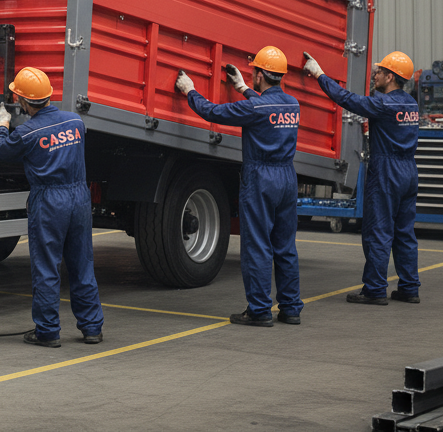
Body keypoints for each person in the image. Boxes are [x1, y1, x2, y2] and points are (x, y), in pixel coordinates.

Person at [175, 47, 303, 327]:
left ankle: (259, 310)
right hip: (286, 177)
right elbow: (265, 108)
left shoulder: (254, 108)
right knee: (285, 246)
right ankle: (291, 308)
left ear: (260, 75)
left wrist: (189, 90)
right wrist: (243, 88)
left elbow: (211, 112)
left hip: (261, 178)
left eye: (254, 72)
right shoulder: (292, 104)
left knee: (257, 245)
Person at [0, 67, 104, 348]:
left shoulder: (27, 132)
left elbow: (0, 150)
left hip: (50, 202)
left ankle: (48, 331)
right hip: (79, 196)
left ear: (22, 101)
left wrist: (3, 123)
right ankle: (92, 328)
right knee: (82, 263)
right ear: (49, 96)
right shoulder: (76, 121)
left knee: (46, 267)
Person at [303, 50, 420, 305]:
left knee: (378, 231)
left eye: (379, 72)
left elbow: (346, 99)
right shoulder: (411, 104)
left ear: (391, 77)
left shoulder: (383, 104)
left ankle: (375, 289)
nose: (375, 75)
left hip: (387, 171)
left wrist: (319, 74)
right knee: (404, 232)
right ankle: (410, 288)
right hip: (409, 171)